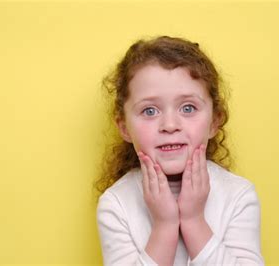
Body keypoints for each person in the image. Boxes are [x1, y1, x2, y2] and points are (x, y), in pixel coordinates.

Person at [95, 36, 264, 265]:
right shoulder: (116, 204)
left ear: (214, 121)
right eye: (150, 111)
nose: (170, 125)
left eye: (188, 107)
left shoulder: (238, 195)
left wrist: (194, 220)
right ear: (124, 127)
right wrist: (164, 225)